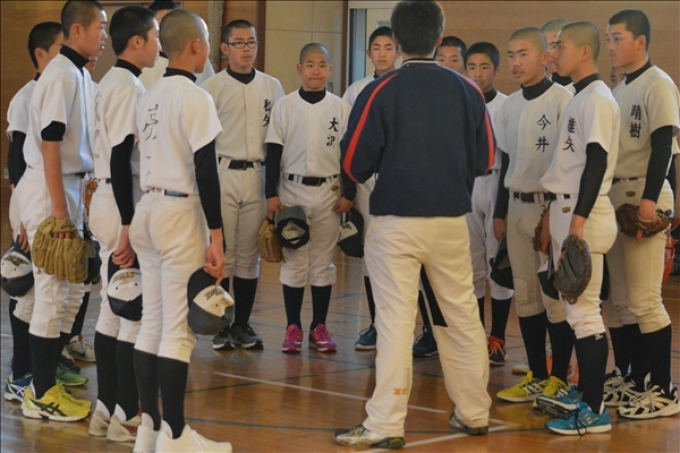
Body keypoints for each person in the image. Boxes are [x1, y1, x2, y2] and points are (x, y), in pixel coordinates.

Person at [334, 1, 493, 447]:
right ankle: (474, 411)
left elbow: (353, 161)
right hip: (451, 222)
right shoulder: (468, 90)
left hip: (396, 224)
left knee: (395, 322)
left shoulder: (380, 90)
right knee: (461, 317)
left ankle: (385, 424)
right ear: (440, 39)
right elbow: (485, 159)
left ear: (397, 40)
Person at [130, 9, 231, 452]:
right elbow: (206, 172)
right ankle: (175, 437)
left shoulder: (148, 95)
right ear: (197, 46)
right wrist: (217, 236)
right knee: (176, 331)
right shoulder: (196, 97)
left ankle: (148, 432)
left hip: (147, 208)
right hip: (179, 212)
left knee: (151, 323)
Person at [16, 0, 107, 422]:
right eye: (99, 27)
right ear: (76, 31)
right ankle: (39, 392)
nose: (103, 35)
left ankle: (47, 381)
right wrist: (58, 211)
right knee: (51, 294)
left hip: (73, 188)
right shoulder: (61, 74)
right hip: (50, 189)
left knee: (69, 294)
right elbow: (50, 142)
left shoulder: (81, 74)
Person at [539, 21, 619, 435]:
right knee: (576, 312)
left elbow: (597, 161)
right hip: (565, 208)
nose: (554, 53)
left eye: (562, 46)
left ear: (585, 52)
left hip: (581, 213)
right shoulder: (579, 95)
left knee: (585, 316)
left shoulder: (598, 98)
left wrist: (578, 223)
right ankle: (586, 394)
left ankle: (594, 410)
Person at [602, 8, 680, 419]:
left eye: (617, 38)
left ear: (641, 42)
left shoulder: (658, 83)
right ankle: (633, 379)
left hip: (642, 195)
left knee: (646, 301)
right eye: (608, 39)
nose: (611, 46)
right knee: (620, 301)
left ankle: (663, 391)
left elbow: (665, 144)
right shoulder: (620, 88)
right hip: (618, 194)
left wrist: (651, 201)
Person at [87, 5, 159, 443]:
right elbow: (119, 156)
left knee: (113, 308)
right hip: (120, 202)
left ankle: (106, 409)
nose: (158, 45)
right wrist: (130, 223)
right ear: (136, 41)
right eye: (155, 37)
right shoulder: (126, 87)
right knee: (131, 309)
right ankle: (126, 415)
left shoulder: (112, 82)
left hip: (109, 199)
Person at [492, 27, 574, 404]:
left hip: (550, 209)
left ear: (545, 57)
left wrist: (554, 214)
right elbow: (505, 161)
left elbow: (570, 163)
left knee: (553, 296)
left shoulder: (563, 100)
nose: (516, 62)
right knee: (525, 295)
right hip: (516, 205)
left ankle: (559, 377)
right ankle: (537, 376)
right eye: (511, 55)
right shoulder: (508, 106)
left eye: (523, 54)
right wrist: (500, 213)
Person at [264, 43, 353, 354]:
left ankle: (319, 326)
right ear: (300, 69)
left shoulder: (341, 108)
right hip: (292, 192)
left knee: (322, 263)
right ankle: (293, 328)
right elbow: (273, 153)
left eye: (322, 65)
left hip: (329, 192)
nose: (316, 71)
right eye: (310, 65)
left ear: (330, 69)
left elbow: (348, 155)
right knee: (295, 262)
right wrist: (270, 194)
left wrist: (350, 192)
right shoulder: (284, 106)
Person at [201, 19, 284, 352]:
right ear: (225, 48)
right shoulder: (211, 88)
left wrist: (274, 189)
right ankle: (220, 325)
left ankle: (242, 324)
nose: (247, 49)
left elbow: (277, 141)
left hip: (257, 174)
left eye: (251, 42)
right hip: (223, 172)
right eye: (239, 43)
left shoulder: (272, 86)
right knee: (224, 255)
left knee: (250, 256)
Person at [4, 21, 64, 403]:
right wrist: (23, 216)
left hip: (49, 197)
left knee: (58, 288)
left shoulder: (63, 86)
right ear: (41, 54)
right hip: (30, 198)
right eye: (61, 48)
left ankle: (48, 364)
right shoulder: (26, 96)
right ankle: (19, 372)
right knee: (26, 286)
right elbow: (17, 159)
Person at [342, 25, 400, 351]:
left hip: (401, 181)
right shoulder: (356, 91)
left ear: (399, 51)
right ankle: (376, 324)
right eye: (376, 47)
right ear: (368, 53)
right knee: (371, 255)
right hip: (367, 182)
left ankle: (411, 328)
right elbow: (348, 143)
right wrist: (349, 188)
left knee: (403, 254)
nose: (382, 53)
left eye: (388, 47)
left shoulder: (406, 85)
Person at [464, 41, 514, 366]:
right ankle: (474, 337)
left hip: (497, 183)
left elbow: (509, 158)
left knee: (498, 265)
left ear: (496, 69)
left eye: (484, 67)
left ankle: (498, 338)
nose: (478, 74)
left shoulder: (507, 106)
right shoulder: (460, 101)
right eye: (472, 67)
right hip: (468, 184)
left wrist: (502, 209)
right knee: (471, 265)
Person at [139, 0, 215, 89]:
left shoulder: (198, 55)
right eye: (163, 23)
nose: (171, 29)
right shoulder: (147, 65)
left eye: (175, 24)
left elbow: (210, 88)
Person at [541, 18, 572, 86]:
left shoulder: (590, 89)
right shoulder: (541, 88)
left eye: (554, 46)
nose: (549, 54)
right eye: (544, 46)